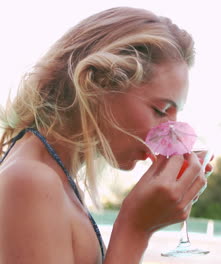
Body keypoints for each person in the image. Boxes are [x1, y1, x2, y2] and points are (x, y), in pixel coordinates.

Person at [0, 7, 209, 263]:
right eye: (161, 110)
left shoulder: (52, 173)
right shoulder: (32, 180)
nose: (172, 132)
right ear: (98, 84)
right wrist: (135, 228)